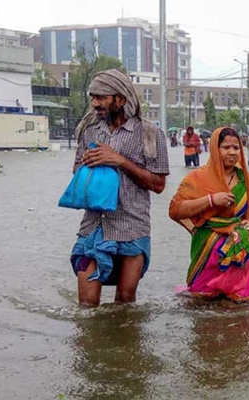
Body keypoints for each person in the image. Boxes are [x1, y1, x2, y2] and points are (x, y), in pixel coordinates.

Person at [69, 69, 170, 307]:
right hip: (93, 226)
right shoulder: (89, 130)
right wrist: (89, 166)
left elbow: (158, 185)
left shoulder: (150, 133)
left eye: (101, 97)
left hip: (132, 227)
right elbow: (76, 171)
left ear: (120, 99)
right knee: (86, 304)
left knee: (125, 303)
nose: (95, 103)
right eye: (92, 97)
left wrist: (120, 161)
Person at [169, 127, 249, 301]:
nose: (232, 152)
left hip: (240, 253)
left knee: (245, 307)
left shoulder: (246, 180)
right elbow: (176, 209)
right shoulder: (196, 178)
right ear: (215, 149)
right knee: (201, 304)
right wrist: (211, 200)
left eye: (236, 148)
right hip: (208, 252)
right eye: (226, 147)